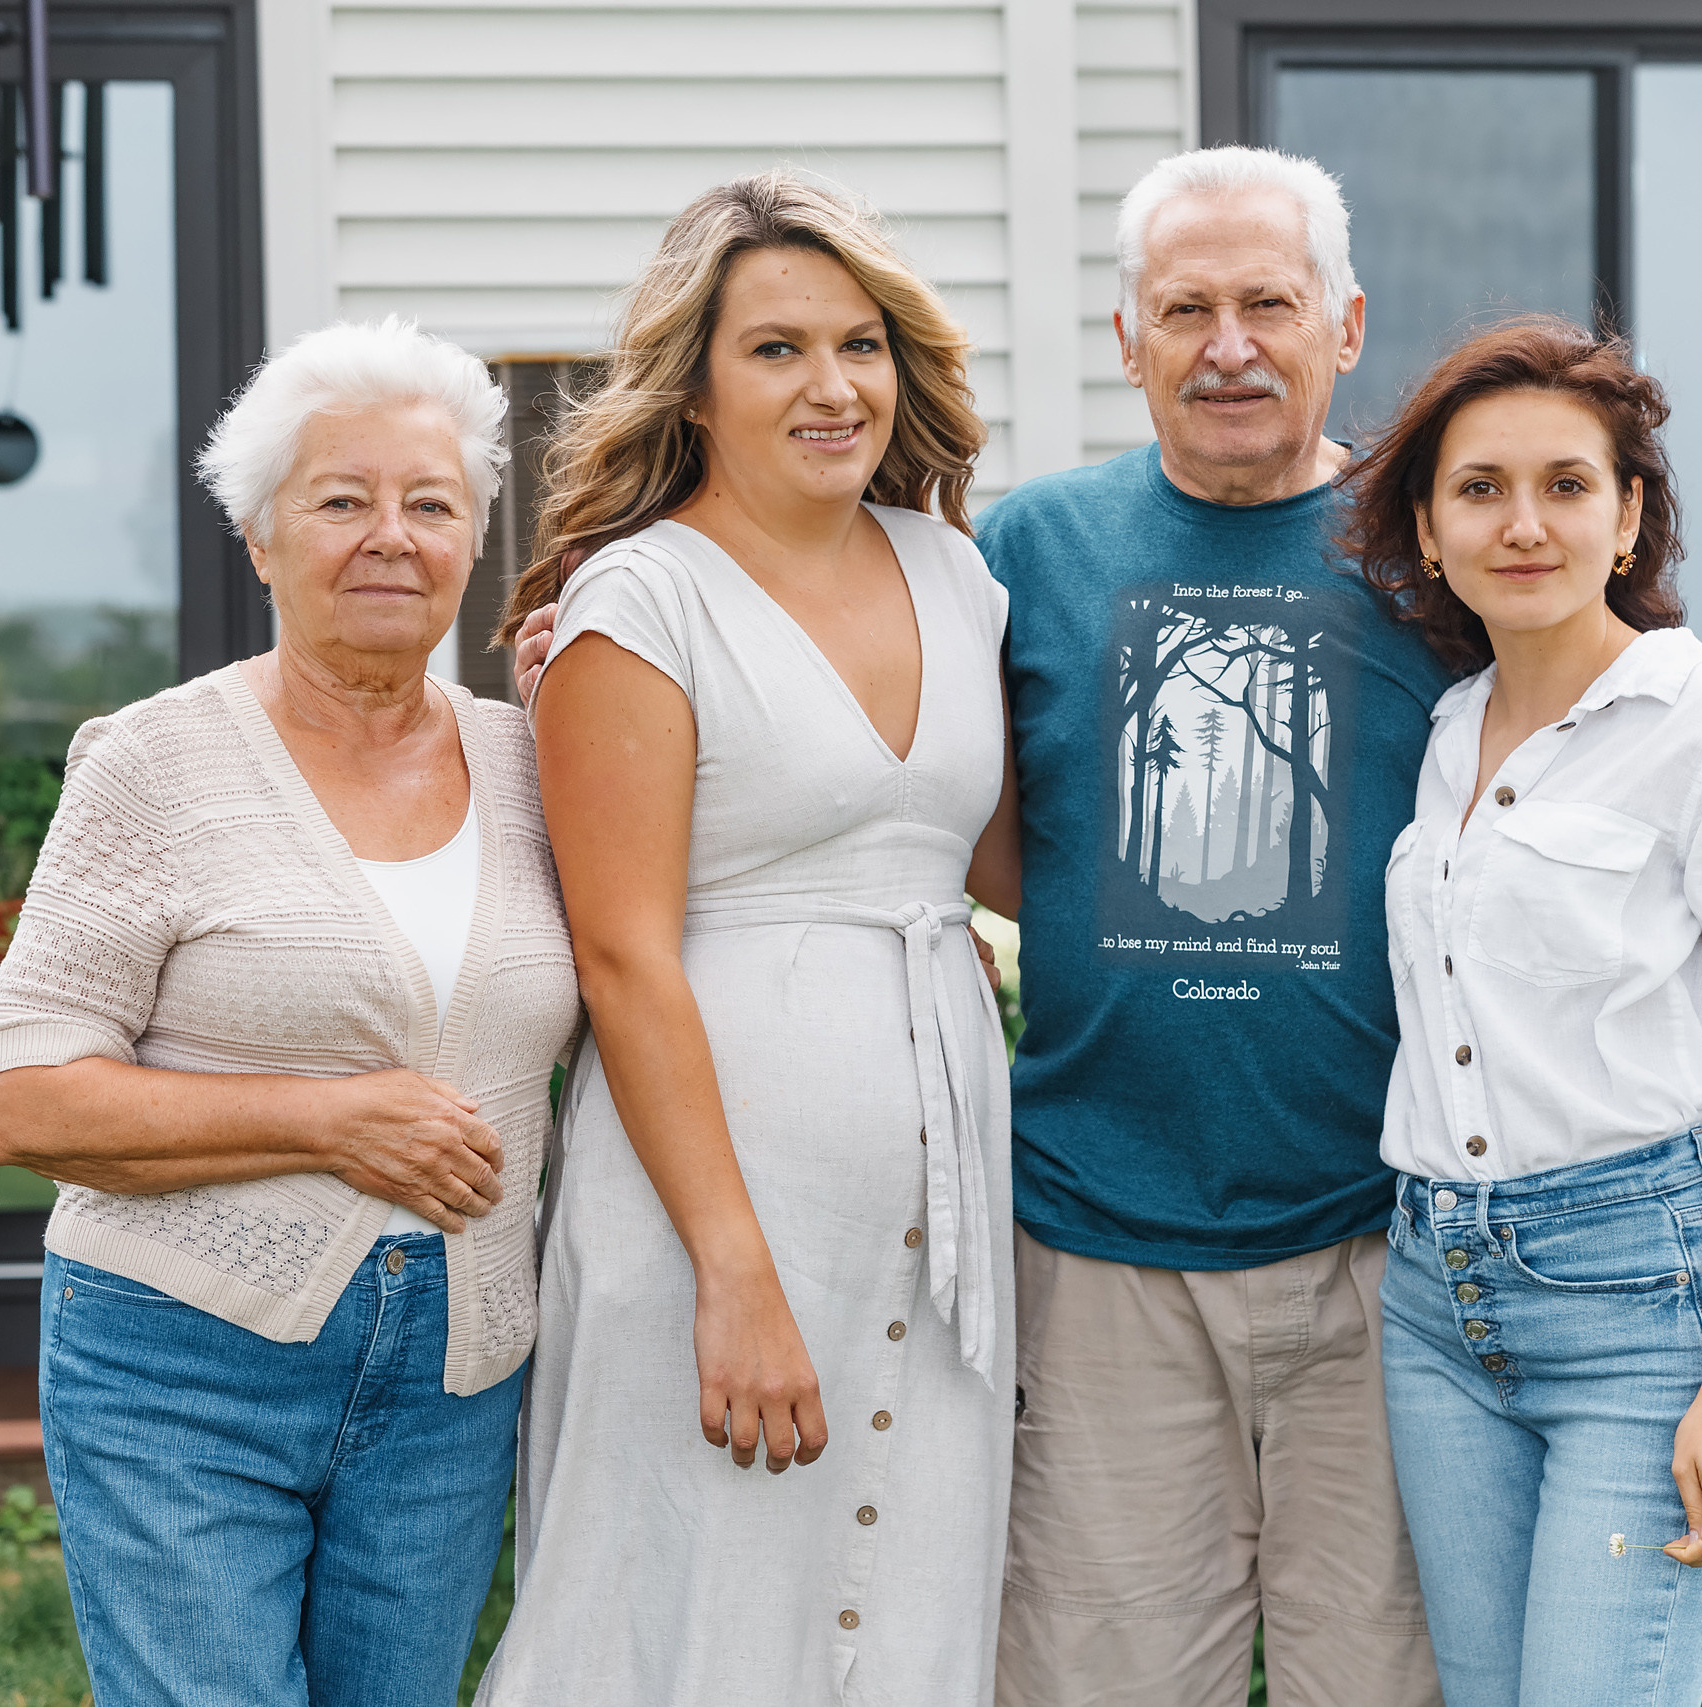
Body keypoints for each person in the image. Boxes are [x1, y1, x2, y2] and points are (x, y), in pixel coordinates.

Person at [511, 146, 1702, 1707]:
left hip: (1389, 1257)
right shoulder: (1015, 557)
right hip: (1099, 1253)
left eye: (1269, 304)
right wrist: (607, 655)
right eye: (1188, 307)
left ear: (1344, 325)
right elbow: (927, 807)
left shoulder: (1440, 547)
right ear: (1126, 340)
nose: (1230, 344)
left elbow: (1635, 726)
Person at [0, 318, 578, 1706]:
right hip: (181, 1354)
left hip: (458, 1366)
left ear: (475, 540)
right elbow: (23, 1095)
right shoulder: (158, 762)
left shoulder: (535, 756)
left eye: (430, 503)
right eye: (342, 499)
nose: (391, 535)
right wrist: (327, 1121)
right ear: (260, 536)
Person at [473, 172, 1019, 1704]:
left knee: (903, 1600)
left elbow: (1005, 864)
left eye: (862, 343)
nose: (833, 385)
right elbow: (624, 956)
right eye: (778, 349)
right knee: (680, 1603)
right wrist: (735, 1268)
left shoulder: (953, 573)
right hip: (719, 1207)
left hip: (941, 1189)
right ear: (697, 387)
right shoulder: (639, 602)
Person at [1348, 315, 1702, 1704]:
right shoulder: (1443, 734)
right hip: (1437, 1301)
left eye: (1568, 485)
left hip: (1636, 1303)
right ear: (1431, 533)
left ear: (1630, 518)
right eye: (1480, 489)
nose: (1525, 523)